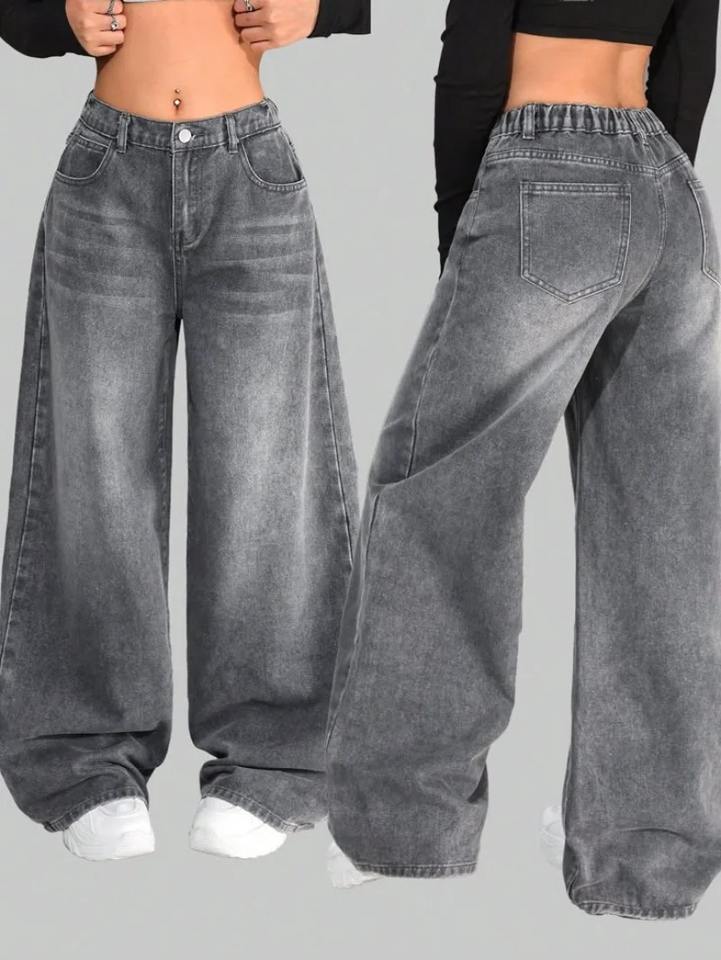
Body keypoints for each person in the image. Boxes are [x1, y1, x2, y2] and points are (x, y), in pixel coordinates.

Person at [326, 0, 721, 920]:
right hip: (669, 189)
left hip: (547, 164)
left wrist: (463, 236)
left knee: (439, 494)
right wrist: (646, 202)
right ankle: (643, 859)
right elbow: (691, 51)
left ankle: (402, 823)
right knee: (664, 535)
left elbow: (473, 55)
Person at [0, 0, 368, 860]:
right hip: (107, 167)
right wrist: (57, 16)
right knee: (91, 467)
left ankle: (275, 763)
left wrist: (322, 9)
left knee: (266, 468)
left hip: (250, 168)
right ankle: (86, 759)